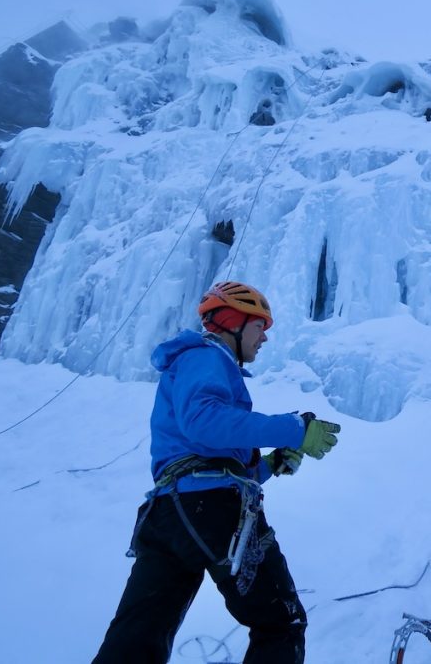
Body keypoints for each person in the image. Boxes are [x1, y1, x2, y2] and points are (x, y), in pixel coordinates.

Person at [93, 281, 342, 664]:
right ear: (233, 322)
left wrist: (270, 465)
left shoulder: (194, 364)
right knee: (281, 624)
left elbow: (210, 458)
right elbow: (203, 423)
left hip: (168, 517)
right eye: (261, 326)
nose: (265, 338)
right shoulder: (207, 357)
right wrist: (295, 428)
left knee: (137, 640)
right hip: (212, 510)